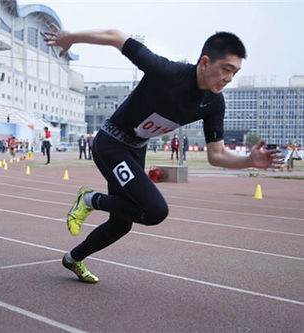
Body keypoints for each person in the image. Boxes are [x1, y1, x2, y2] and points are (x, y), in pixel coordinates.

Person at [44, 26, 282, 283]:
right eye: (226, 69)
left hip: (136, 148)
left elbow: (217, 155)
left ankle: (73, 258)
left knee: (121, 223)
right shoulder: (167, 72)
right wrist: (70, 38)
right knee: (155, 211)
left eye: (235, 72)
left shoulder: (214, 103)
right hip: (111, 143)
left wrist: (248, 160)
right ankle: (90, 199)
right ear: (205, 62)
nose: (229, 78)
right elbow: (116, 37)